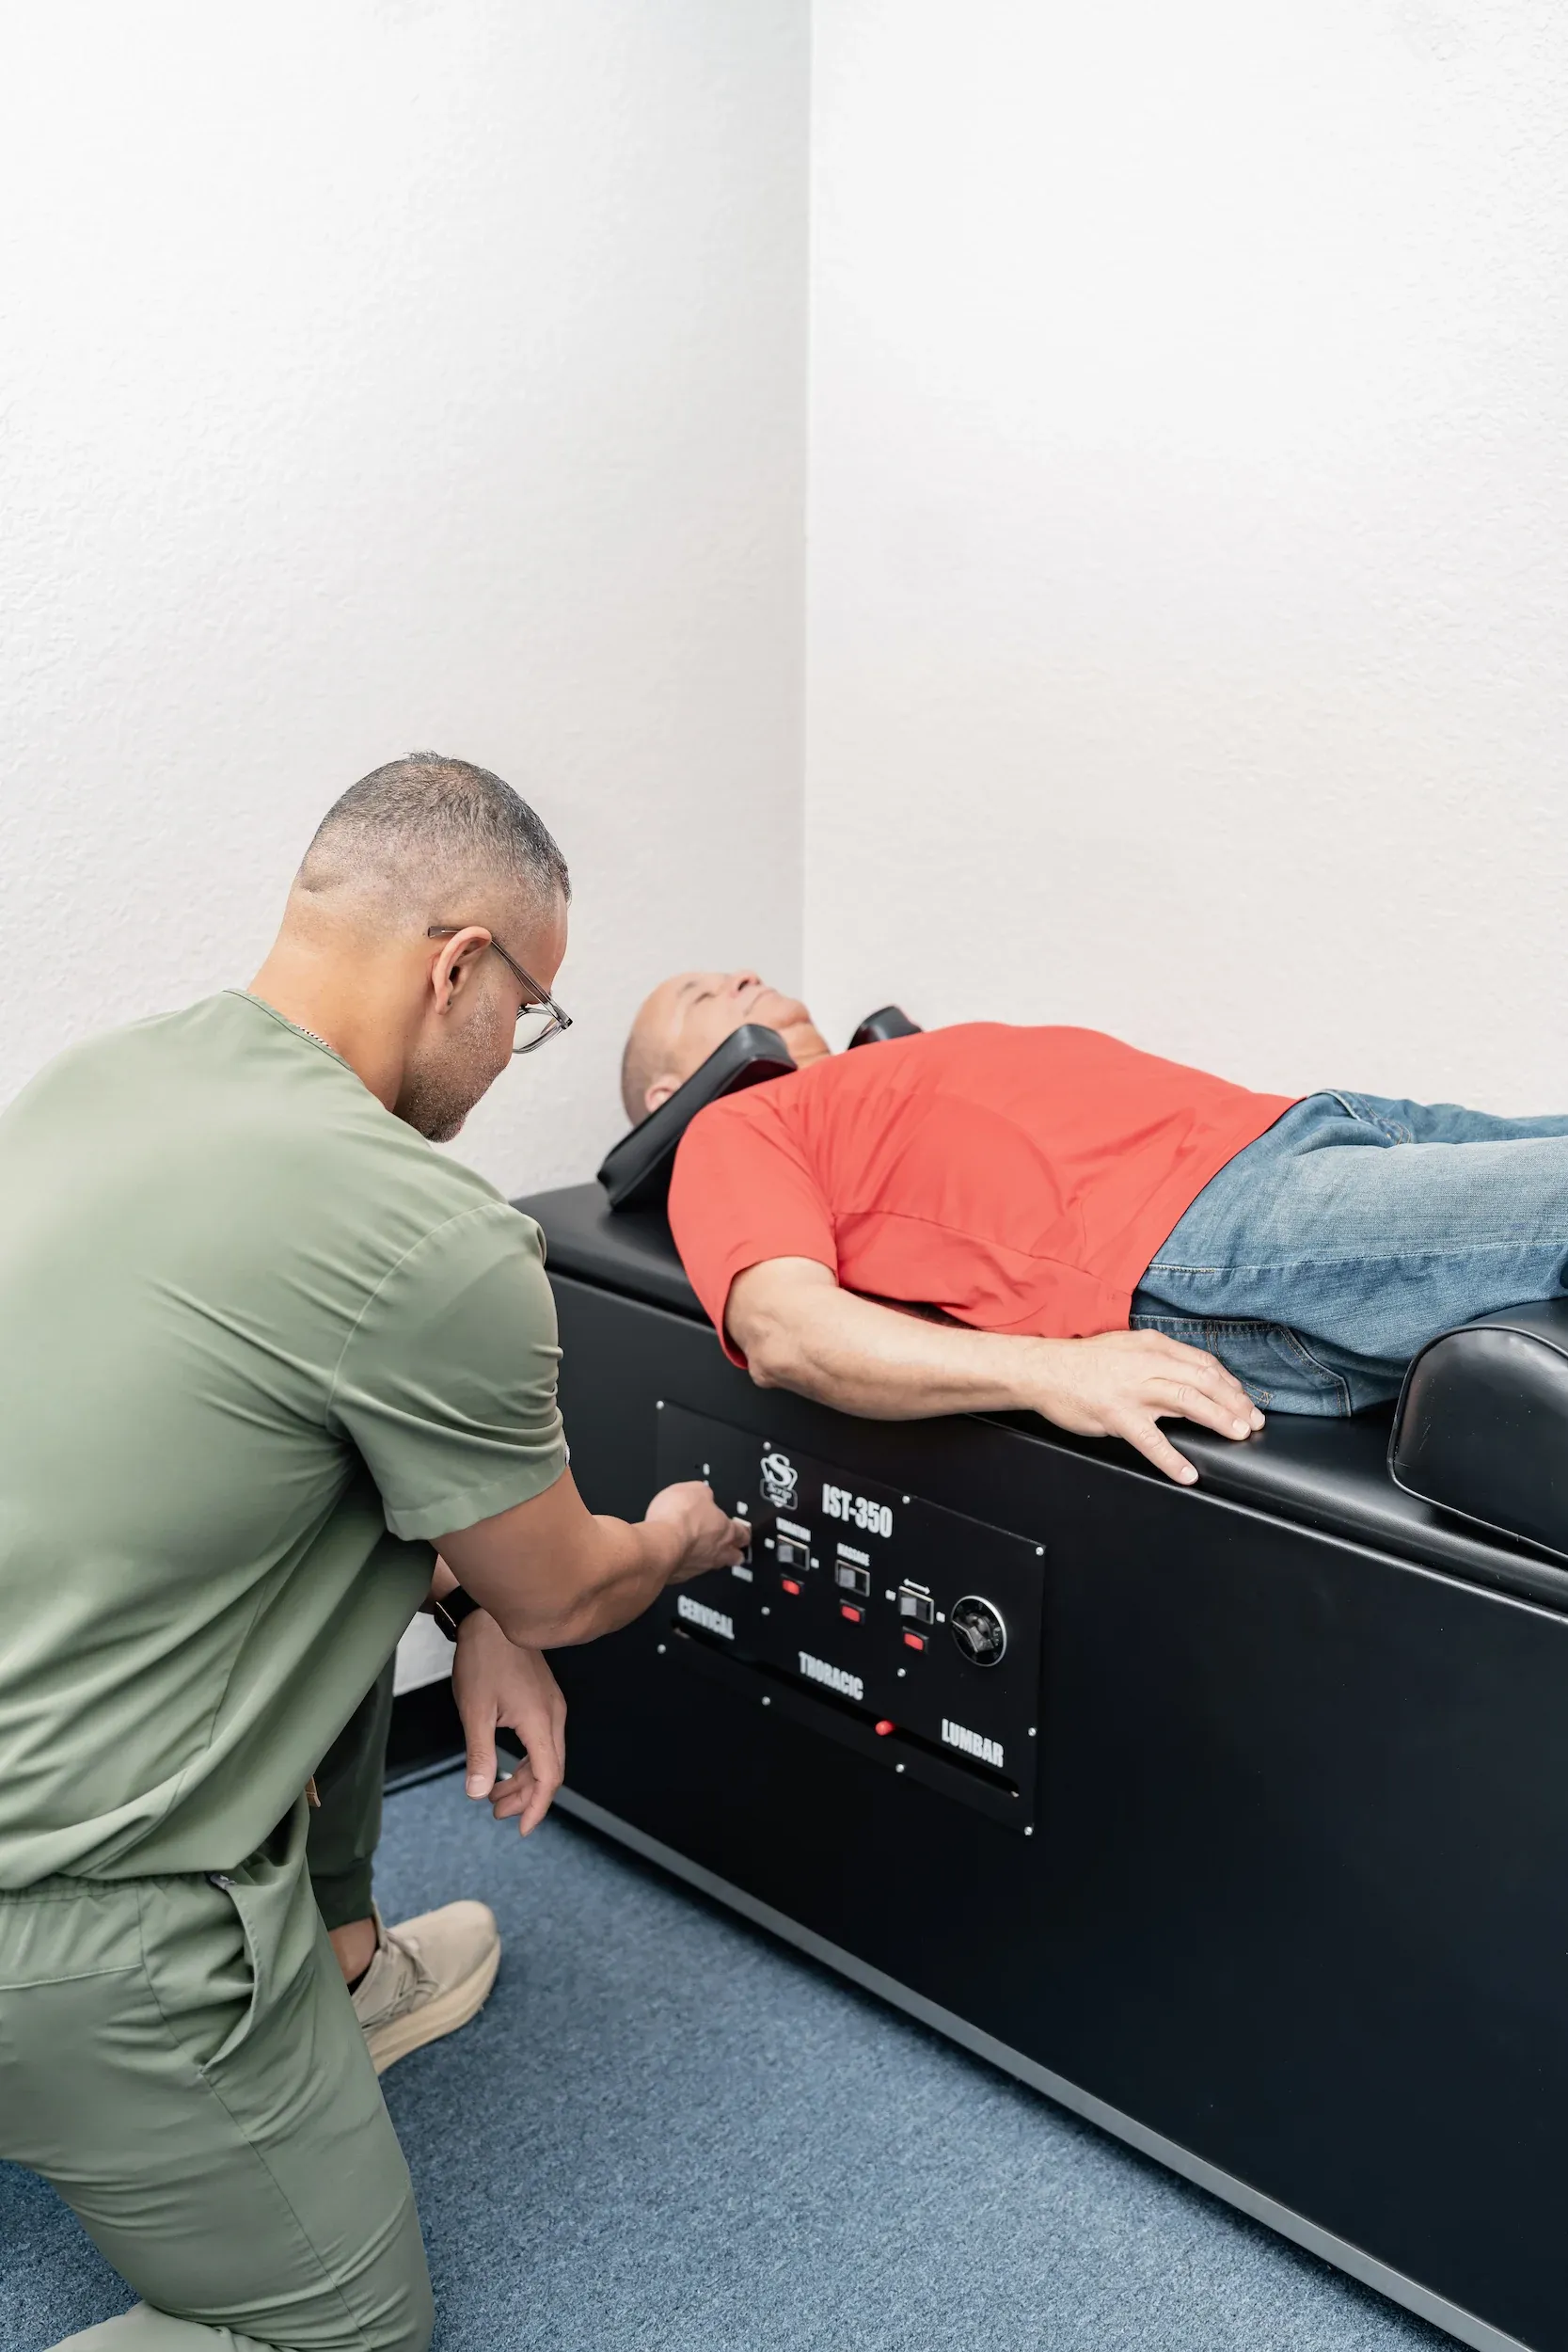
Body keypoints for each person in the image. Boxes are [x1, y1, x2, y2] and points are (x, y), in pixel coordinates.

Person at [0, 756, 748, 2352]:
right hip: (68, 1927)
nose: (508, 1054)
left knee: (335, 1532)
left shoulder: (96, 1086)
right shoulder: (427, 1234)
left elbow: (254, 1482)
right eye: (530, 1012)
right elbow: (570, 1582)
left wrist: (472, 1596)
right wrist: (672, 1540)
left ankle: (333, 1975)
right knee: (345, 2335)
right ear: (458, 966)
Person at [622, 966, 1568, 1486]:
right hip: (1208, 1227)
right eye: (703, 997)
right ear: (673, 1093)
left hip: (1300, 1124)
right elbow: (786, 1331)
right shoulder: (731, 1126)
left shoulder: (864, 1081)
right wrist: (1050, 1370)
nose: (741, 973)